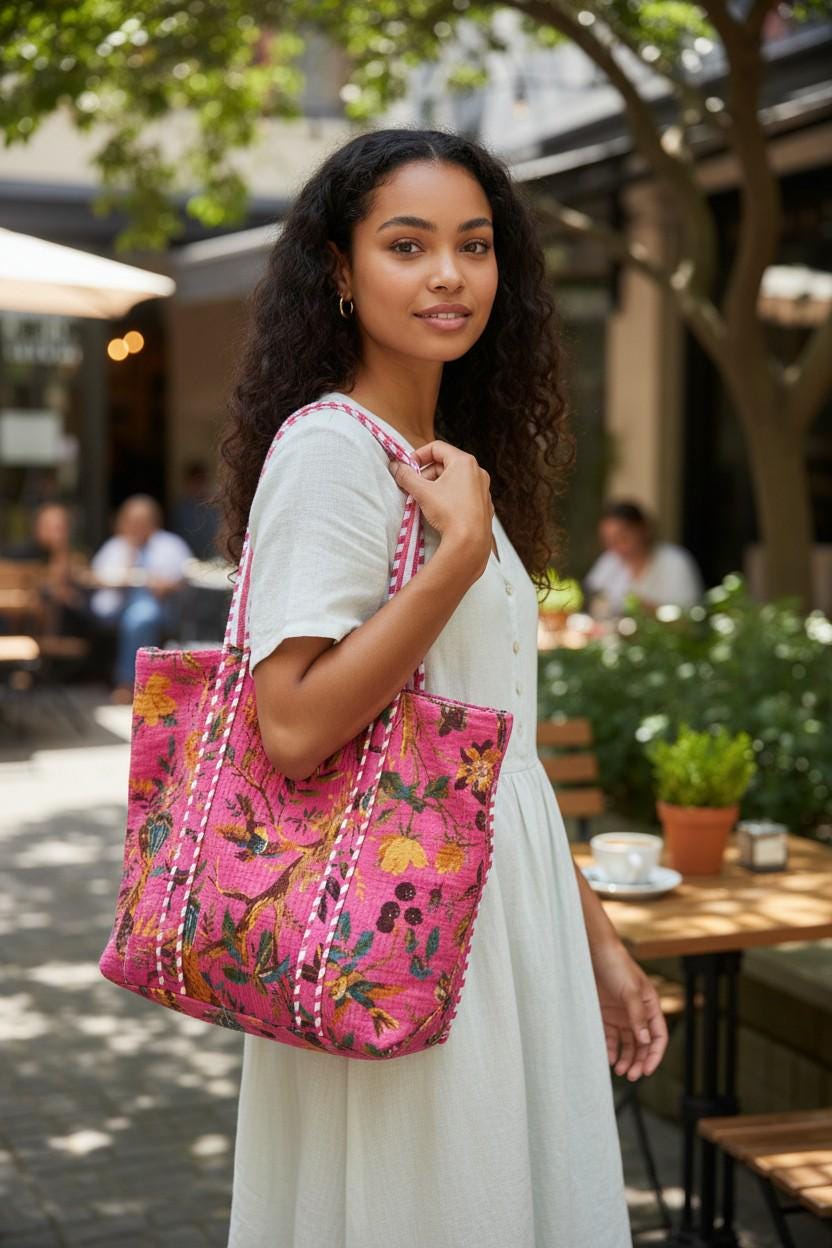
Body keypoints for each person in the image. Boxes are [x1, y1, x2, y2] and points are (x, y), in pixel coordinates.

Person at [217, 128, 668, 1248]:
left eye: (473, 246)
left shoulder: (444, 459)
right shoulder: (331, 452)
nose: (448, 276)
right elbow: (292, 722)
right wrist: (458, 559)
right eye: (407, 245)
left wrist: (598, 943)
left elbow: (496, 749)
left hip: (501, 918)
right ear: (338, 267)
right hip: (398, 922)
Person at [89, 495, 192, 703]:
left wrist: (167, 585)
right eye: (132, 521)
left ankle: (129, 683)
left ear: (153, 522)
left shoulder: (170, 545)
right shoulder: (115, 545)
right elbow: (95, 577)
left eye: (142, 521)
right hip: (115, 604)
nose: (137, 526)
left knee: (140, 618)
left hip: (159, 606)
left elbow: (188, 578)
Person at [585, 499, 704, 618]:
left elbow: (690, 616)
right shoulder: (609, 560)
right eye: (609, 541)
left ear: (643, 530)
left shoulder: (675, 561)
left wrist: (652, 611)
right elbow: (593, 596)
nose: (617, 547)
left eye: (623, 538)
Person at [171, 460, 220, 561]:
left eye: (201, 481)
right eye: (195, 481)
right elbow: (176, 538)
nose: (198, 486)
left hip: (212, 559)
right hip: (186, 559)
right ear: (187, 482)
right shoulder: (180, 509)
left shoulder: (214, 508)